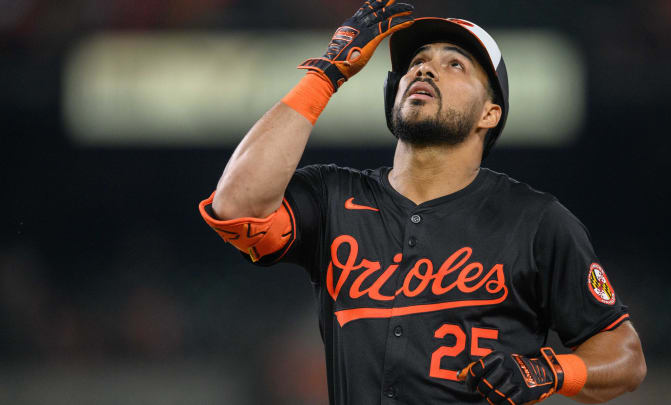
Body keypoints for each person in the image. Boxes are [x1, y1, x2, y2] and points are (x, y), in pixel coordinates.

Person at [198, 1, 646, 404]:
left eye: (455, 65)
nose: (425, 70)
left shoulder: (536, 221)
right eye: (416, 62)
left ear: (491, 113)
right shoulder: (334, 196)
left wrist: (551, 369)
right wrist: (324, 75)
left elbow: (625, 357)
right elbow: (236, 204)